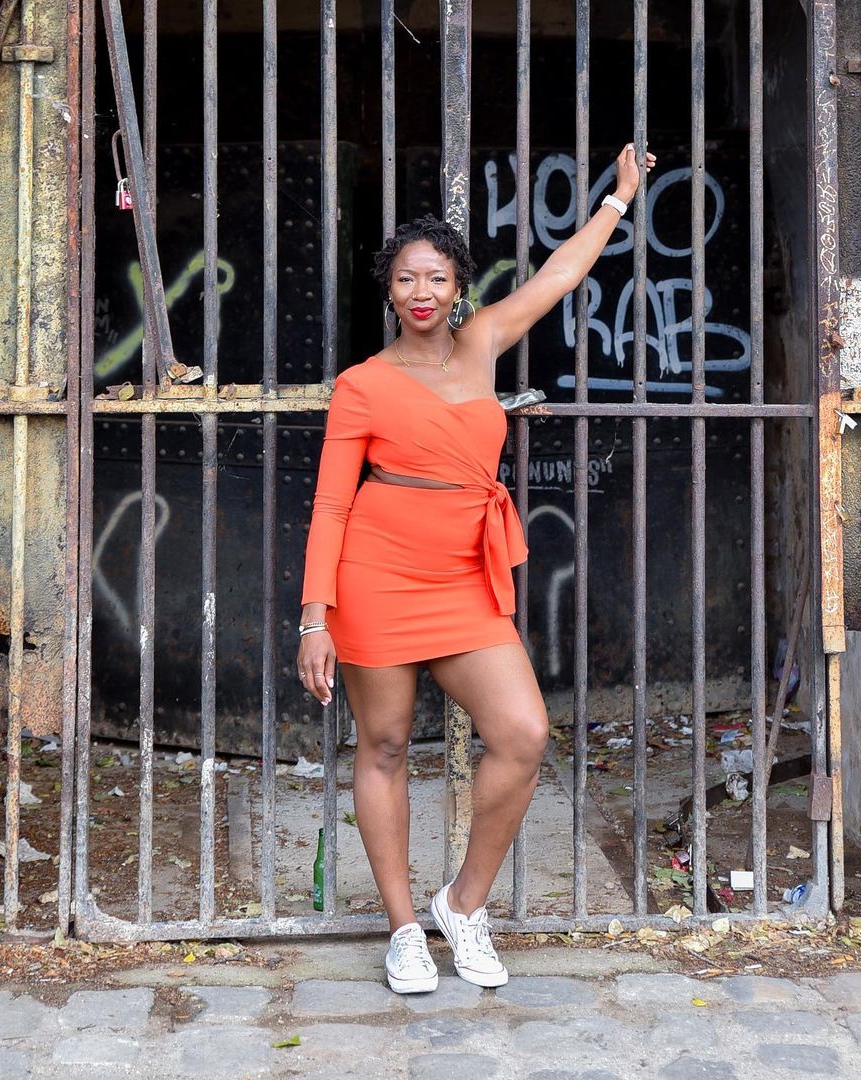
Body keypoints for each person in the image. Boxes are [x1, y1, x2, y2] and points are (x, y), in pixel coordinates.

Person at [297, 143, 655, 994]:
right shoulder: (362, 385)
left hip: (463, 577)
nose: (421, 292)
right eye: (406, 279)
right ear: (389, 291)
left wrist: (618, 199)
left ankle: (462, 904)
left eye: (436, 278)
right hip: (377, 577)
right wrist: (316, 616)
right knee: (384, 745)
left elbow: (559, 276)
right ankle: (402, 930)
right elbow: (332, 505)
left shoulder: (485, 339)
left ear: (459, 286)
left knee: (522, 733)